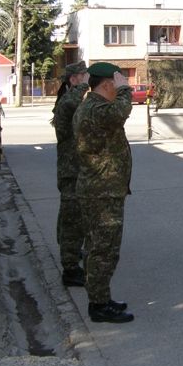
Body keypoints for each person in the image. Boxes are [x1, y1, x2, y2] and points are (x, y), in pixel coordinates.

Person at [73, 62, 134, 323]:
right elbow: (120, 112)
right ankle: (98, 305)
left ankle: (101, 298)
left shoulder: (92, 106)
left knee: (97, 246)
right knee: (104, 249)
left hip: (100, 189)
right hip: (102, 191)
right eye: (117, 84)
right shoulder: (96, 108)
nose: (119, 89)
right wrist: (126, 90)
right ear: (108, 84)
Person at [51, 61, 90, 287]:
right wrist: (84, 86)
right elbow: (72, 103)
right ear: (74, 79)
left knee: (70, 217)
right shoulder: (67, 100)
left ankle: (72, 254)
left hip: (75, 170)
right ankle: (70, 269)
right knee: (72, 222)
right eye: (83, 76)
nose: (87, 79)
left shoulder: (70, 98)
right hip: (71, 171)